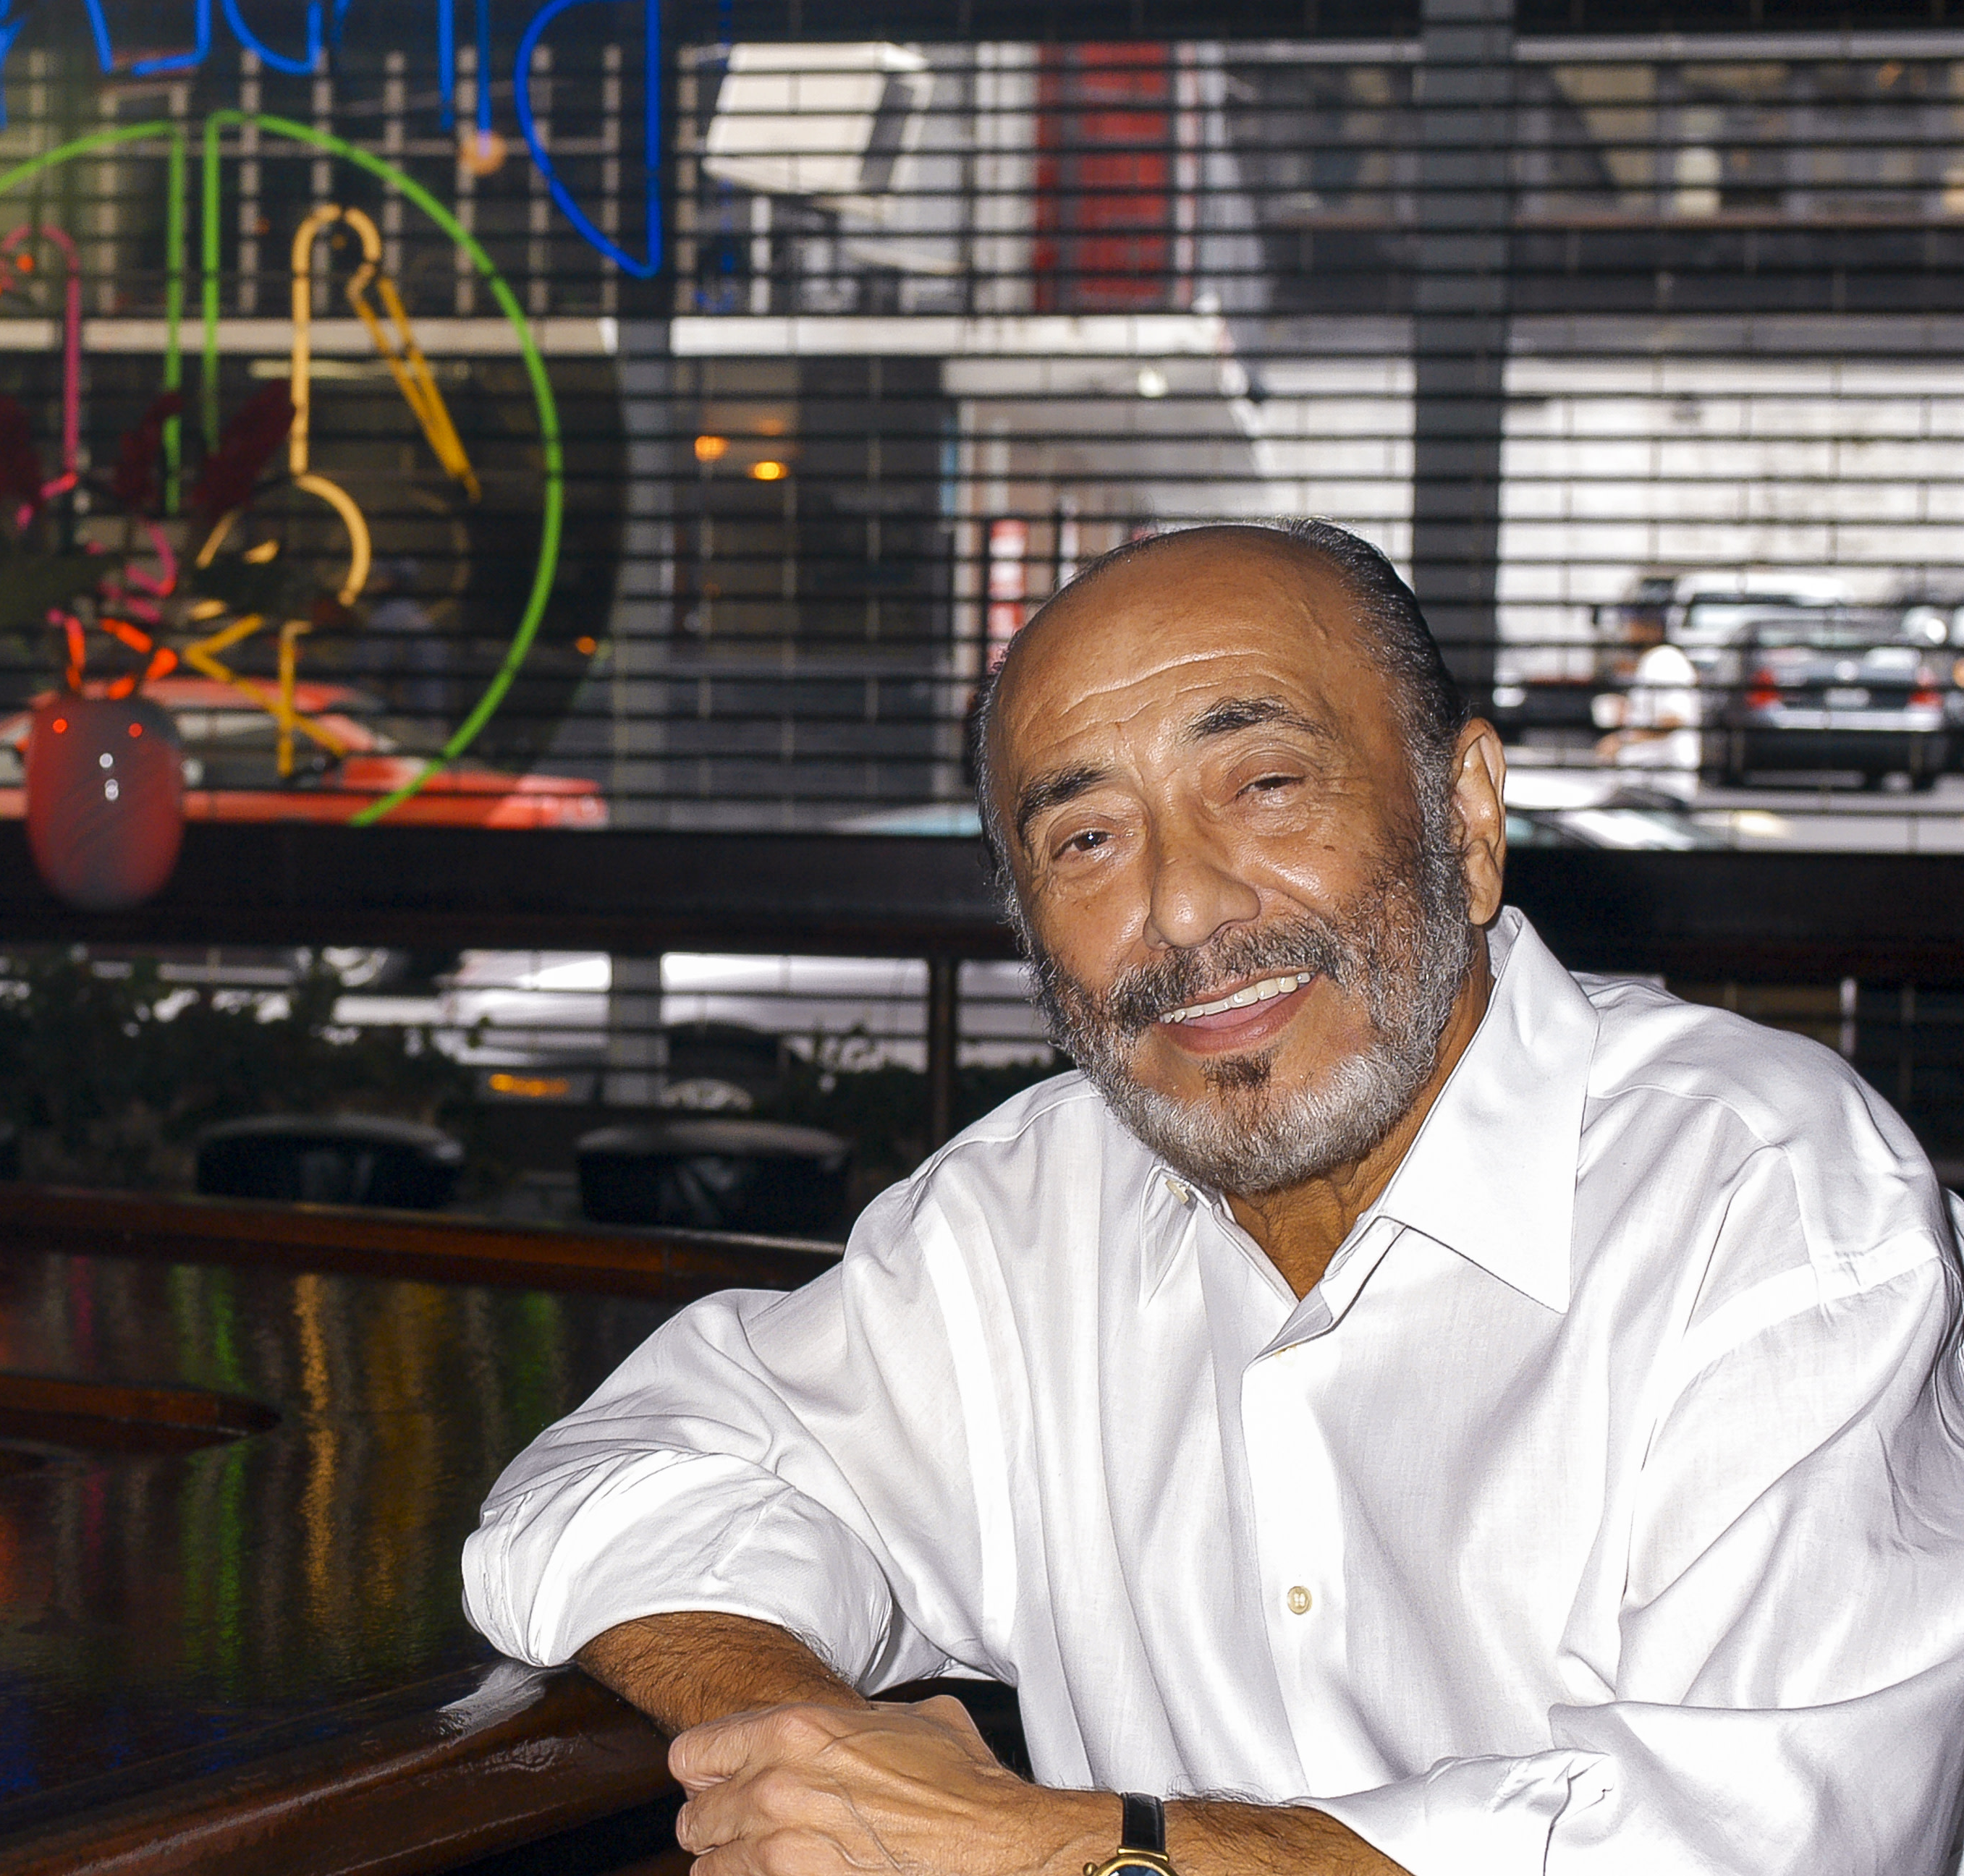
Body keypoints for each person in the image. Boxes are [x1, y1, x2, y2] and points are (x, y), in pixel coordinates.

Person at [461, 519, 1964, 1875]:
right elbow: (604, 1491)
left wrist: (1072, 1855)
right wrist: (821, 1759)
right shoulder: (1031, 1208)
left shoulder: (1761, 1199)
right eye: (1088, 838)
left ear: (1466, 813)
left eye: (1263, 783)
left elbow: (1759, 1841)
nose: (1181, 904)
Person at [1593, 606, 1703, 795]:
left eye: (1632, 625)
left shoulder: (1664, 660)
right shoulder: (1652, 662)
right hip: (1648, 787)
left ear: (1652, 630)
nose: (1626, 631)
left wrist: (1621, 740)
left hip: (1660, 789)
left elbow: (1673, 720)